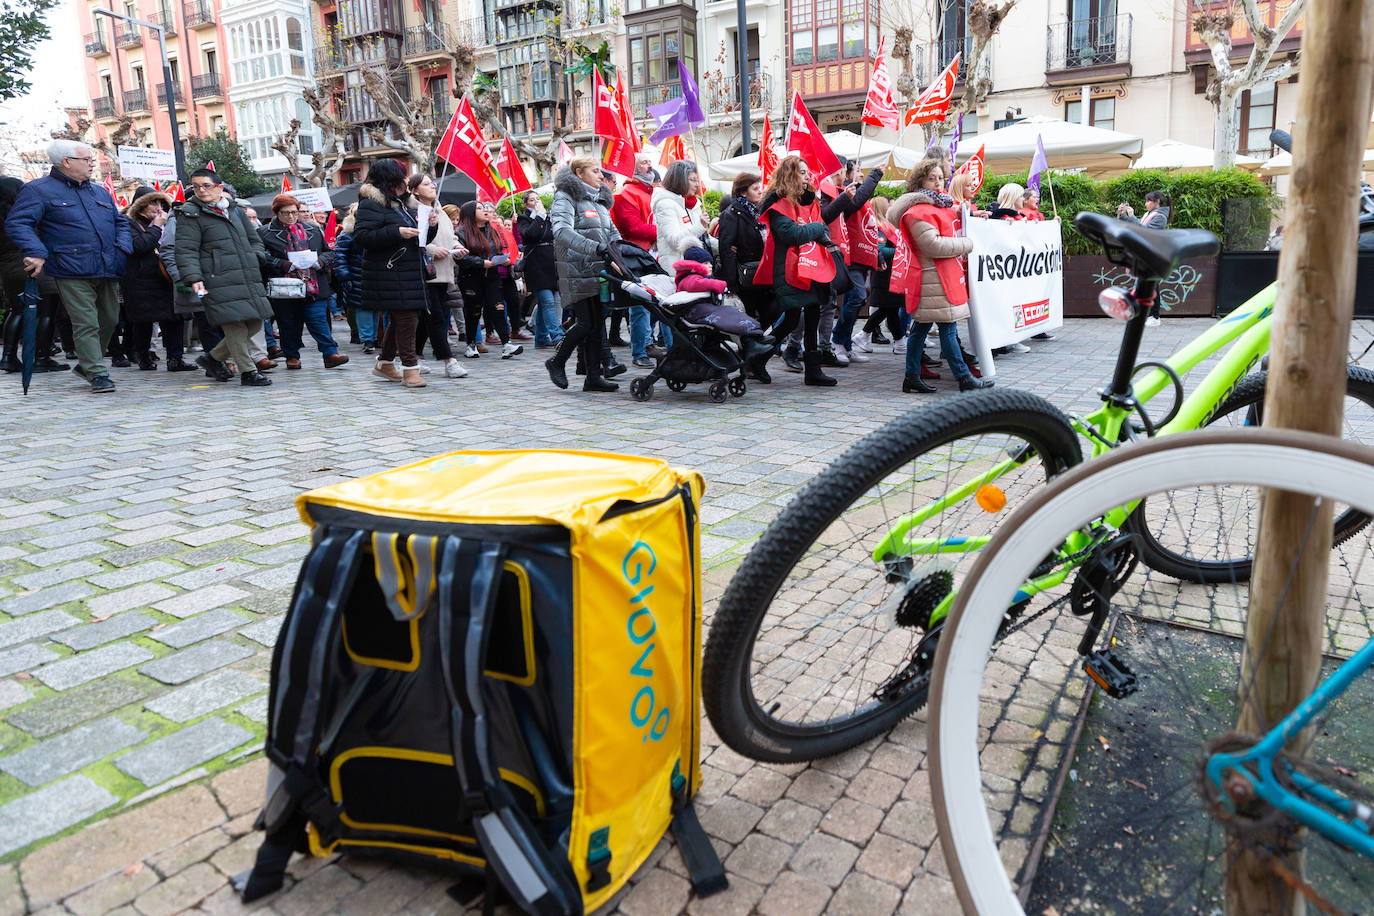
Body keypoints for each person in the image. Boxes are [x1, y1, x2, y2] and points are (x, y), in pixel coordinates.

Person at [5, 139, 131, 393]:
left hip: (107, 265)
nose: (92, 163)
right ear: (66, 162)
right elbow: (18, 223)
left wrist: (122, 248)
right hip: (70, 268)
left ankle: (87, 365)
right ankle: (97, 373)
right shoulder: (38, 190)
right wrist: (36, 252)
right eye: (87, 159)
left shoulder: (99, 191)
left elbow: (120, 223)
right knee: (86, 322)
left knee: (109, 319)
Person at [889, 157, 993, 394]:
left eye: (941, 178)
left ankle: (912, 377)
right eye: (931, 178)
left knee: (920, 329)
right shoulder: (917, 211)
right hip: (932, 278)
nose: (938, 183)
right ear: (920, 181)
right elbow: (933, 245)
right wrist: (967, 243)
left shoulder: (939, 206)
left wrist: (975, 216)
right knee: (947, 327)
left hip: (939, 277)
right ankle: (963, 378)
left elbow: (954, 217)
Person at [174, 168, 275, 387]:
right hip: (213, 278)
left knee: (255, 322)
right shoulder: (190, 213)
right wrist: (194, 278)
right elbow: (185, 250)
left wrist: (255, 256)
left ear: (219, 187)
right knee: (234, 324)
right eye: (196, 186)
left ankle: (211, 358)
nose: (201, 190)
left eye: (206, 185)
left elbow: (254, 239)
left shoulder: (235, 209)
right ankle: (248, 372)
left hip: (246, 274)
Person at [755, 155, 839, 387]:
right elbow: (792, 235)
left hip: (812, 267)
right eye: (802, 172)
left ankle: (813, 371)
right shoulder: (777, 203)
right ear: (790, 175)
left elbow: (823, 235)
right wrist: (815, 227)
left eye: (807, 172)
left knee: (811, 316)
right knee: (791, 319)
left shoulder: (810, 201)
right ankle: (757, 357)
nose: (807, 176)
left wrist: (812, 228)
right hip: (789, 270)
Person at [546, 156, 624, 392]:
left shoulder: (599, 201)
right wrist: (595, 248)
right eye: (596, 171)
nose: (602, 176)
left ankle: (593, 377)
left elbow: (612, 233)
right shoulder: (565, 196)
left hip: (599, 271)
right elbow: (561, 231)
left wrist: (622, 252)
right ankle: (556, 361)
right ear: (579, 173)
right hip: (576, 270)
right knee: (586, 323)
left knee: (597, 323)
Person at [353, 158, 430, 388]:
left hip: (409, 270)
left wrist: (430, 225)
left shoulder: (406, 204)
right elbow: (362, 236)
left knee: (402, 319)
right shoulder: (371, 204)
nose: (404, 182)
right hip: (388, 272)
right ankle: (410, 368)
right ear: (389, 180)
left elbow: (423, 238)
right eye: (400, 178)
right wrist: (396, 232)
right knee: (407, 318)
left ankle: (385, 362)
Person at [258, 193, 348, 370]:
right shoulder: (264, 233)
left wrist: (320, 261)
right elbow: (260, 257)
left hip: (313, 284)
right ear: (276, 213)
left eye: (294, 212)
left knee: (318, 320)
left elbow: (328, 251)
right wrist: (282, 264)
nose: (291, 216)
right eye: (285, 213)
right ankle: (292, 356)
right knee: (288, 323)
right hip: (285, 286)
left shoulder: (312, 229)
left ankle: (330, 353)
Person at [671, 245, 774, 381]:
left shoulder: (700, 277)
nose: (710, 266)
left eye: (710, 263)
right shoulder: (688, 278)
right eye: (705, 263)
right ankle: (752, 342)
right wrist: (719, 284)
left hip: (705, 311)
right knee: (730, 319)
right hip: (696, 313)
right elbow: (694, 285)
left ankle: (753, 340)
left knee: (733, 316)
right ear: (694, 266)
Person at [0, 176, 68, 375]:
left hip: (8, 268)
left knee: (18, 310)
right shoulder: (25, 215)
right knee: (47, 311)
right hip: (34, 264)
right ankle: (41, 357)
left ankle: (8, 357)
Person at [121, 187, 193, 372]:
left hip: (165, 278)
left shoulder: (170, 221)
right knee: (143, 321)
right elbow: (139, 246)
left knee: (174, 318)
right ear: (141, 206)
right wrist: (156, 227)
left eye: (161, 203)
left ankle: (175, 358)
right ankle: (143, 356)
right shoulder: (127, 223)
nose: (158, 207)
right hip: (140, 280)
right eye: (153, 203)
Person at [405, 173, 467, 378]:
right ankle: (449, 361)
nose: (432, 186)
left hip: (445, 271)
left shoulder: (440, 211)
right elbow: (415, 240)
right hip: (424, 273)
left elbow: (451, 236)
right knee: (437, 318)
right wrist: (431, 249)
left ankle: (414, 357)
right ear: (414, 190)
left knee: (426, 319)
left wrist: (457, 246)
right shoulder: (410, 211)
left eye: (433, 183)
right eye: (426, 184)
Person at [829, 159, 886, 364]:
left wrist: (877, 254)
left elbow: (869, 229)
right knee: (856, 297)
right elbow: (855, 203)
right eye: (859, 171)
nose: (862, 174)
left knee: (858, 299)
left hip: (862, 255)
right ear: (848, 174)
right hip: (850, 255)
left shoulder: (863, 197)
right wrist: (875, 175)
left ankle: (845, 344)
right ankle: (837, 340)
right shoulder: (846, 194)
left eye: (863, 171)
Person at [455, 201, 523, 360]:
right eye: (479, 208)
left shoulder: (491, 230)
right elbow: (460, 258)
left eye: (484, 208)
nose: (484, 211)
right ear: (470, 213)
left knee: (498, 307)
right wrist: (481, 263)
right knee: (473, 311)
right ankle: (471, 344)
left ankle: (506, 344)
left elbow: (497, 250)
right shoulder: (461, 232)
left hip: (492, 275)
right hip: (471, 278)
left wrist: (503, 260)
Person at [610, 157, 658, 356]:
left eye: (649, 161)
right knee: (639, 305)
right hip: (636, 256)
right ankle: (641, 349)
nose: (650, 165)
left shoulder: (653, 193)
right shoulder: (624, 195)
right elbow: (632, 228)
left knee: (654, 304)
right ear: (633, 167)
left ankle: (649, 341)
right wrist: (662, 231)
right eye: (645, 162)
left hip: (653, 254)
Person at [717, 171, 769, 326]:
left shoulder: (758, 210)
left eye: (760, 187)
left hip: (763, 271)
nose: (760, 191)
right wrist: (731, 283)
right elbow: (726, 249)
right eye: (755, 188)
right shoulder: (732, 214)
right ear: (743, 192)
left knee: (771, 311)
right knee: (750, 315)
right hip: (745, 276)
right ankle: (751, 347)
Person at [515, 190, 562, 349]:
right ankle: (556, 335)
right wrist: (540, 217)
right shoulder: (524, 219)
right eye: (532, 200)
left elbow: (553, 235)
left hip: (550, 263)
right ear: (526, 204)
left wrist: (546, 217)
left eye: (537, 198)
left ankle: (541, 337)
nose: (536, 202)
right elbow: (531, 235)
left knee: (550, 301)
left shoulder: (548, 217)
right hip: (536, 265)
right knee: (547, 301)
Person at [1119, 190, 1170, 325]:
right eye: (1146, 201)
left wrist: (1132, 215)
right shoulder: (1149, 214)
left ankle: (1154, 316)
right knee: (1147, 283)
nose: (1146, 204)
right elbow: (1134, 226)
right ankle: (1145, 314)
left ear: (1157, 202)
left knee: (1152, 284)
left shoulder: (1160, 217)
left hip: (1152, 254)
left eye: (1149, 201)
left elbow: (1144, 232)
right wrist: (1122, 215)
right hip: (1145, 254)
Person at [333, 204, 372, 352]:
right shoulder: (347, 235)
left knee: (374, 309)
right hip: (356, 276)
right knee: (362, 308)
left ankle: (373, 338)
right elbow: (340, 257)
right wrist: (344, 276)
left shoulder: (372, 231)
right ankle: (367, 338)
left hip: (372, 274)